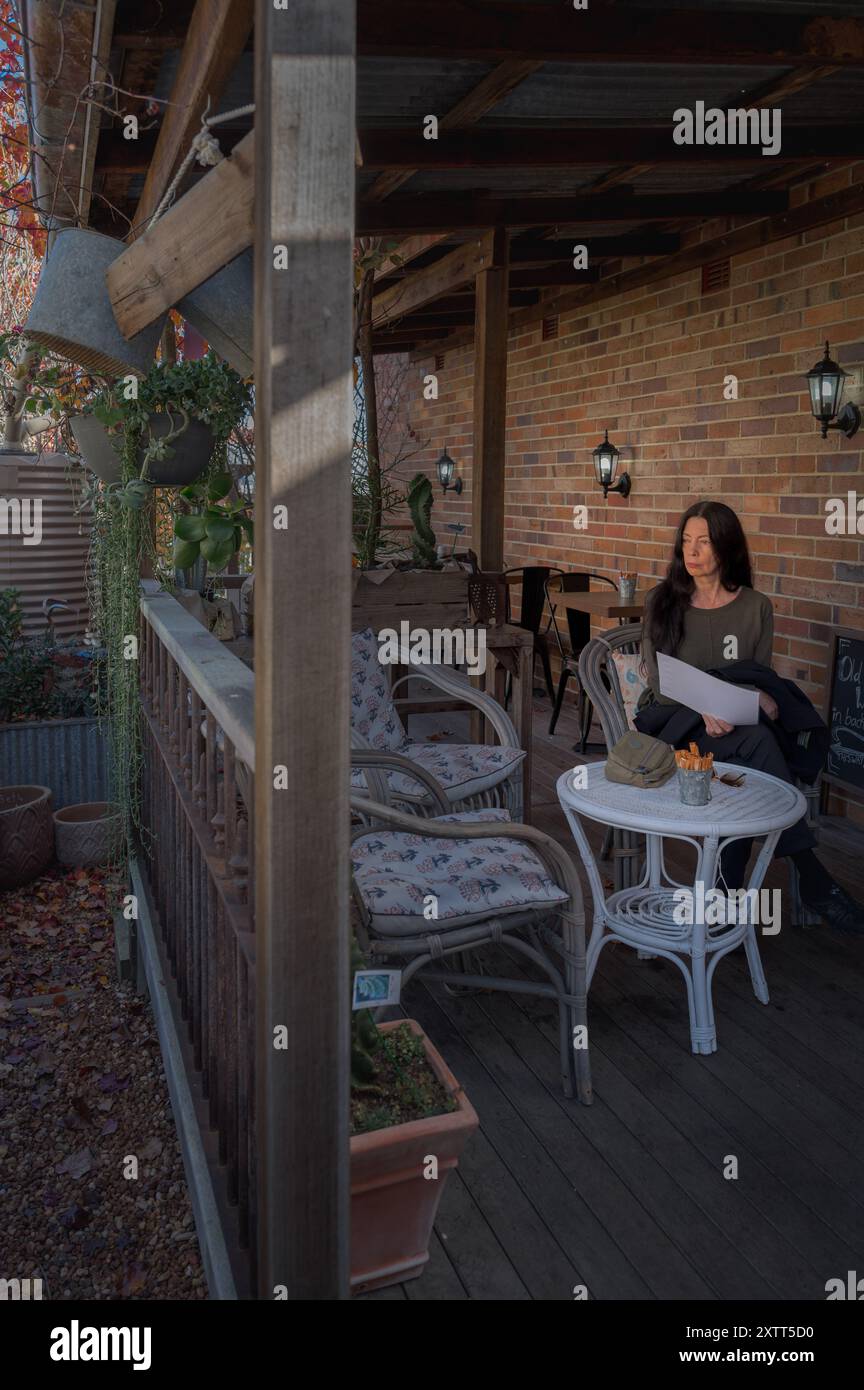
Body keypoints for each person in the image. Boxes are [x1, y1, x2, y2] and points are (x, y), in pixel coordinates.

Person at [636, 498, 861, 934]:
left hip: (732, 731)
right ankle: (811, 878)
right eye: (686, 541)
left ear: (726, 547)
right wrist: (708, 704)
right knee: (758, 745)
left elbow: (756, 675)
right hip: (675, 726)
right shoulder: (661, 601)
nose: (692, 550)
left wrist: (754, 695)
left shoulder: (755, 607)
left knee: (747, 752)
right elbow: (661, 682)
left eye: (704, 541)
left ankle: (723, 900)